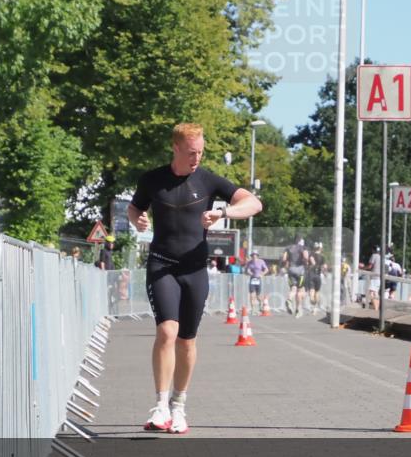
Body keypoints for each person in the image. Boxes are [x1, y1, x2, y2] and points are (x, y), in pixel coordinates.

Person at [128, 123, 261, 434]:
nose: (196, 158)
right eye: (191, 152)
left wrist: (224, 213)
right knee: (166, 332)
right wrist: (138, 220)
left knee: (187, 340)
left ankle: (179, 405)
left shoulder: (208, 180)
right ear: (175, 148)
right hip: (162, 265)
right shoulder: (152, 180)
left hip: (195, 269)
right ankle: (160, 405)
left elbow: (254, 203)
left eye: (200, 151)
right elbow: (134, 209)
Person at [281, 236, 310, 317]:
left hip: (291, 269)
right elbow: (305, 257)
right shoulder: (302, 248)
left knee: (293, 288)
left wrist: (287, 264)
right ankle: (298, 309)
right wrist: (305, 261)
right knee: (300, 290)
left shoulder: (288, 248)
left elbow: (284, 259)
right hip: (300, 270)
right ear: (300, 241)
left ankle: (289, 300)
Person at [306, 241, 326, 314]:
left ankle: (311, 299)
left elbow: (311, 262)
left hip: (311, 274)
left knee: (311, 290)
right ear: (320, 248)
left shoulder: (311, 254)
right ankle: (315, 308)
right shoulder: (322, 256)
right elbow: (324, 267)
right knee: (317, 292)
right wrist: (324, 272)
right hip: (318, 275)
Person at [246, 250, 268, 315]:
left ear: (257, 255)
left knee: (258, 295)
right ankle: (253, 309)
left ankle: (261, 304)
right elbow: (247, 270)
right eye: (252, 255)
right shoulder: (250, 262)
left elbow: (266, 269)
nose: (254, 256)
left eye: (255, 255)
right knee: (252, 295)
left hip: (258, 279)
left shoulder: (261, 261)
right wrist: (250, 273)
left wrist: (262, 274)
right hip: (252, 279)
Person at [367, 246, 382, 311]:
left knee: (371, 293)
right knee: (376, 293)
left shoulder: (374, 255)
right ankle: (377, 308)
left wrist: (361, 268)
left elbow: (370, 266)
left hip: (374, 277)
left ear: (373, 250)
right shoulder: (381, 257)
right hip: (379, 277)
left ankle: (375, 309)